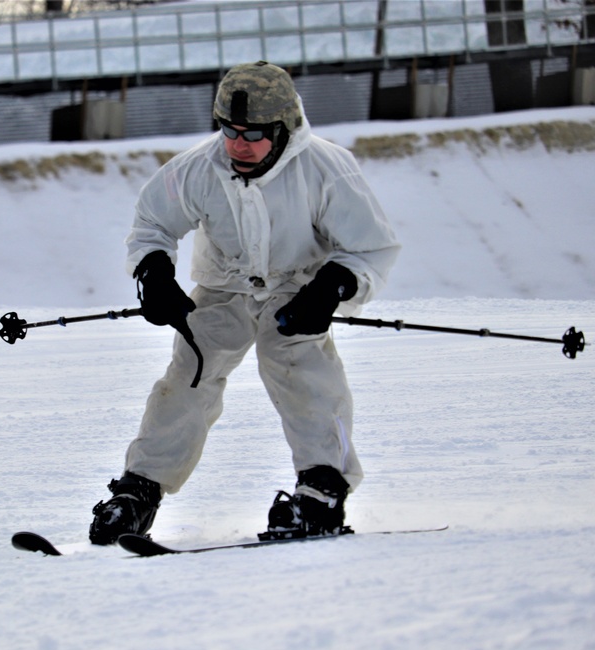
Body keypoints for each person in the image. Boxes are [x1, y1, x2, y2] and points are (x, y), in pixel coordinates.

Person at [89, 61, 401, 545]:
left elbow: (371, 247)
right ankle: (138, 492)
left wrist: (334, 286)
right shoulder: (197, 168)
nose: (238, 144)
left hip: (298, 290)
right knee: (191, 370)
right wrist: (154, 273)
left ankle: (322, 491)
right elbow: (153, 221)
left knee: (297, 365)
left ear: (284, 129)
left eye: (253, 134)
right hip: (224, 288)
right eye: (229, 131)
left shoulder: (326, 169)